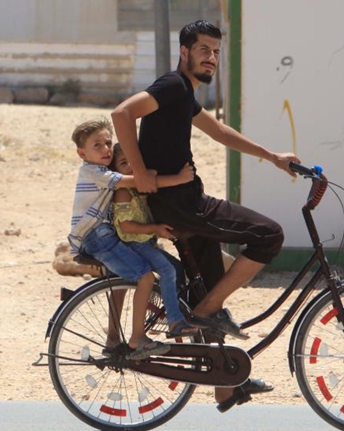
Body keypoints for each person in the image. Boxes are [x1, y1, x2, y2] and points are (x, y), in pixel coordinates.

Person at [111, 20, 300, 411]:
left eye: (215, 51)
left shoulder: (185, 96)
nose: (211, 58)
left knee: (210, 284)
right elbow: (122, 114)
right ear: (185, 52)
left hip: (183, 202)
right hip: (185, 206)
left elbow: (219, 132)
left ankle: (224, 383)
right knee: (269, 234)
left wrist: (273, 157)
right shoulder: (172, 86)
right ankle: (206, 311)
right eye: (203, 50)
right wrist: (141, 172)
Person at [67, 118, 195, 360]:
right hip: (97, 236)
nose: (105, 149)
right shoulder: (95, 173)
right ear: (81, 153)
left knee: (158, 272)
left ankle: (150, 323)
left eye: (108, 143)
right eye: (98, 146)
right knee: (144, 276)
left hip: (104, 234)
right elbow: (139, 181)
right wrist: (177, 178)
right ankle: (138, 337)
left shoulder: (104, 171)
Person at [108, 142, 200, 338]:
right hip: (134, 244)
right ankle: (174, 321)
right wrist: (156, 228)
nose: (131, 167)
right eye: (124, 163)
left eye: (134, 161)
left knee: (176, 268)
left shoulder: (138, 187)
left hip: (145, 243)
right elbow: (126, 226)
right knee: (167, 270)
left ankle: (165, 307)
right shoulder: (123, 190)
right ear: (115, 171)